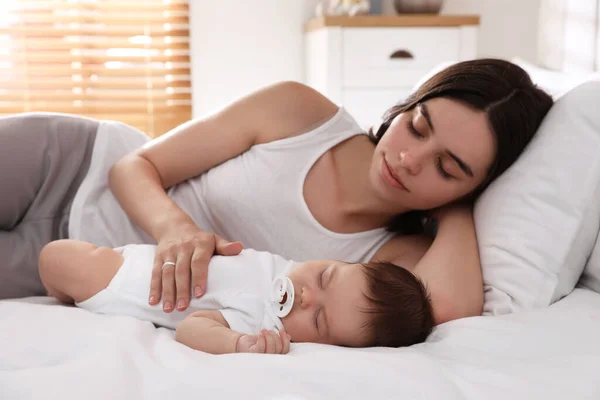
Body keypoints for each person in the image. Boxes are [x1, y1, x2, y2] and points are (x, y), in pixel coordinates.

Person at [0, 58, 553, 325]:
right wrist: (178, 231)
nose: (408, 159)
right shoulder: (302, 112)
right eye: (419, 125)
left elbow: (451, 309)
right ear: (407, 104)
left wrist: (459, 206)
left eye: (448, 167)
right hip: (69, 163)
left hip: (80, 268)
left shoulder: (394, 259)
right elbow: (133, 165)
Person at [38, 239, 434, 354]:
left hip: (123, 285)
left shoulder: (265, 324)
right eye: (326, 276)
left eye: (319, 320)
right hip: (149, 255)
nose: (306, 296)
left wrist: (238, 344)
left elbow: (193, 328)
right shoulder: (289, 261)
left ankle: (60, 288)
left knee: (54, 258)